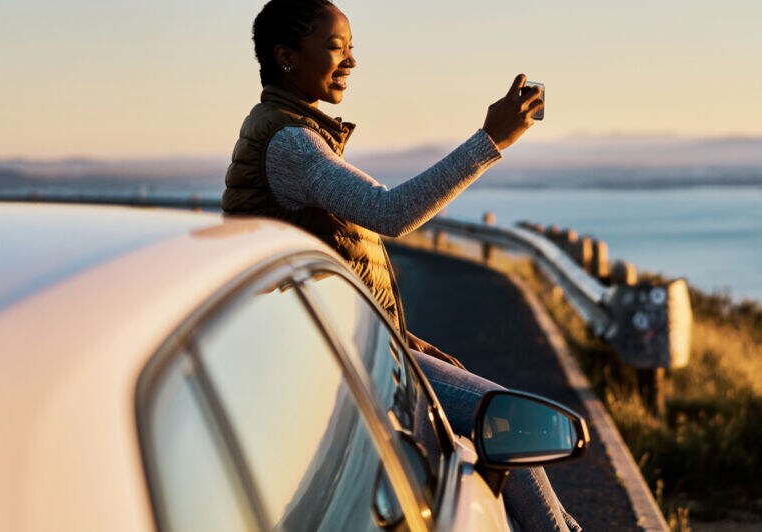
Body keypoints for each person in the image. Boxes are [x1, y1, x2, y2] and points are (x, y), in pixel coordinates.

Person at [223, 1, 579, 530]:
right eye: (336, 48)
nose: (351, 62)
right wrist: (490, 142)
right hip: (331, 357)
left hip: (339, 346)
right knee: (505, 422)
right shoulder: (291, 143)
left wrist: (398, 341)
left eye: (352, 49)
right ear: (287, 57)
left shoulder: (292, 129)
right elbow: (391, 212)